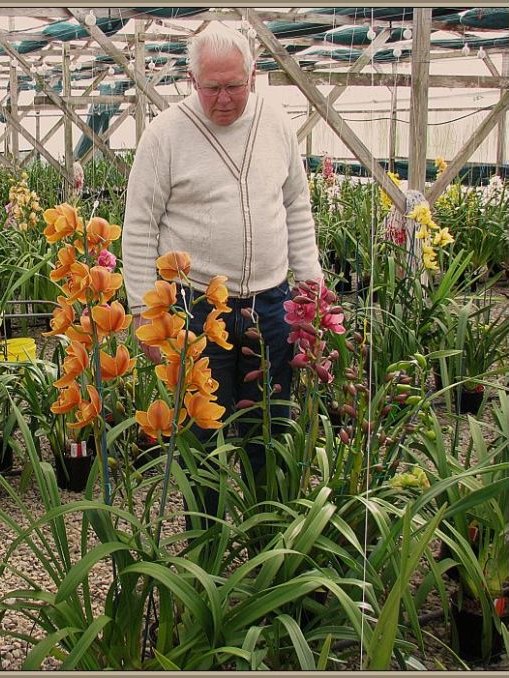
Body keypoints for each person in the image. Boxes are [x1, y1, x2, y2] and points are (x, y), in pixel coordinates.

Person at [122, 23, 323, 505]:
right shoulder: (166, 134)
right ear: (192, 81)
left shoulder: (276, 122)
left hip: (272, 305)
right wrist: (144, 313)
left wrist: (312, 287)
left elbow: (297, 205)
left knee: (270, 428)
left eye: (236, 85)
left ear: (254, 74)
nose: (226, 98)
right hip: (195, 309)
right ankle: (205, 539)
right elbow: (140, 226)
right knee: (201, 439)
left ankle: (268, 536)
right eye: (213, 88)